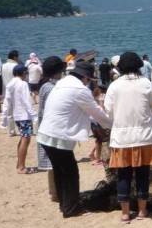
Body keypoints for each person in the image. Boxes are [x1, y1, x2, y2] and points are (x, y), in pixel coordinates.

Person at [37, 61, 111, 218]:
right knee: (70, 173)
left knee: (60, 172)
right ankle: (72, 210)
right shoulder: (80, 89)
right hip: (58, 136)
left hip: (45, 133)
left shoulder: (62, 82)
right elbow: (96, 111)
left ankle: (64, 205)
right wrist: (113, 125)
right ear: (85, 77)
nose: (89, 82)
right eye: (89, 79)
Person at [104, 52, 152, 224]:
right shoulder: (146, 83)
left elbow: (108, 112)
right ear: (139, 66)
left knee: (123, 175)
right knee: (143, 174)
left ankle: (125, 213)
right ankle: (142, 211)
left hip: (121, 138)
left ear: (120, 67)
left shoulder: (114, 86)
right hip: (144, 137)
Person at [36, 56, 67, 202]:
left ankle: (55, 192)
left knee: (52, 163)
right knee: (55, 162)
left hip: (45, 127)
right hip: (52, 128)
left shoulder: (44, 86)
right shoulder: (51, 88)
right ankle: (56, 193)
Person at [1, 64, 38, 174]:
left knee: (23, 138)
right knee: (26, 140)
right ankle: (21, 167)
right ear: (23, 73)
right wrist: (34, 116)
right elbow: (27, 101)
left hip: (17, 116)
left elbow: (7, 102)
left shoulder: (10, 84)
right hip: (24, 116)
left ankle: (19, 163)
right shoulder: (23, 84)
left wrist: (3, 117)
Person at [1, 50, 21, 136]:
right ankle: (21, 129)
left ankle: (11, 131)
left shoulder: (3, 66)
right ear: (15, 57)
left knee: (9, 113)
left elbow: (2, 79)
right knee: (19, 111)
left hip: (7, 91)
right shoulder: (16, 65)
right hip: (16, 90)